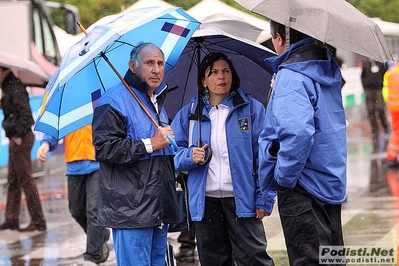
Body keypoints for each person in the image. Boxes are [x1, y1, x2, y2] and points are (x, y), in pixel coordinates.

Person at [171, 52, 275, 266]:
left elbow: (264, 157)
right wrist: (190, 156)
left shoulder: (252, 109)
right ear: (203, 81)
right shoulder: (189, 114)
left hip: (242, 200)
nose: (221, 76)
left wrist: (264, 197)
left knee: (254, 259)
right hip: (205, 201)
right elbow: (172, 156)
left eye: (226, 71)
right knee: (214, 261)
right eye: (214, 72)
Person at [258, 20, 347, 265]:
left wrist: (284, 177)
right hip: (328, 183)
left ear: (279, 38)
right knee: (331, 259)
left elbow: (298, 133)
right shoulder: (326, 68)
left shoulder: (292, 75)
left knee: (308, 259)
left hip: (303, 188)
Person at [92, 42, 179, 266]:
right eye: (149, 63)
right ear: (133, 66)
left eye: (160, 63)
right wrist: (150, 143)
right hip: (131, 211)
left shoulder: (157, 102)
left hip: (158, 209)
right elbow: (105, 148)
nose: (156, 69)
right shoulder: (114, 101)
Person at [36, 125, 110, 265]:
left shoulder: (97, 104)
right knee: (75, 211)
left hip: (97, 163)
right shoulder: (68, 106)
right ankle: (102, 234)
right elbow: (55, 127)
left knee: (94, 211)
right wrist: (45, 144)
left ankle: (93, 257)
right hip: (74, 165)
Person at [0, 67, 46, 232]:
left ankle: (38, 221)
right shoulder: (8, 87)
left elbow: (26, 116)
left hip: (21, 138)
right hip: (16, 138)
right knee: (13, 180)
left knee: (26, 180)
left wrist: (18, 137)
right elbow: (13, 111)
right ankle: (11, 219)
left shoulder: (14, 87)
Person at [360, 57, 390, 152]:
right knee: (371, 111)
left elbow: (387, 74)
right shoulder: (366, 63)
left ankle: (385, 128)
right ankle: (375, 131)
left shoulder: (382, 63)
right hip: (369, 90)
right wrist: (366, 87)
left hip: (379, 89)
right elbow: (362, 76)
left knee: (380, 109)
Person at [383, 61, 399, 168]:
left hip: (393, 107)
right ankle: (391, 157)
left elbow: (385, 91)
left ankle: (391, 157)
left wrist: (389, 103)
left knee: (396, 131)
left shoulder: (390, 72)